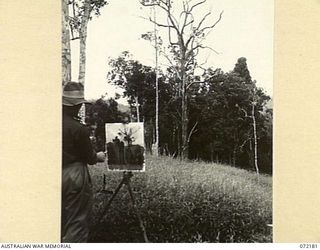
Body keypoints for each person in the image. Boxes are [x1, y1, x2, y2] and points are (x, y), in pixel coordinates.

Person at [61, 81, 106, 242]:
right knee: (76, 222)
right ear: (76, 105)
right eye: (80, 104)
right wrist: (99, 156)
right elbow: (90, 157)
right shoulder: (78, 128)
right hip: (73, 175)